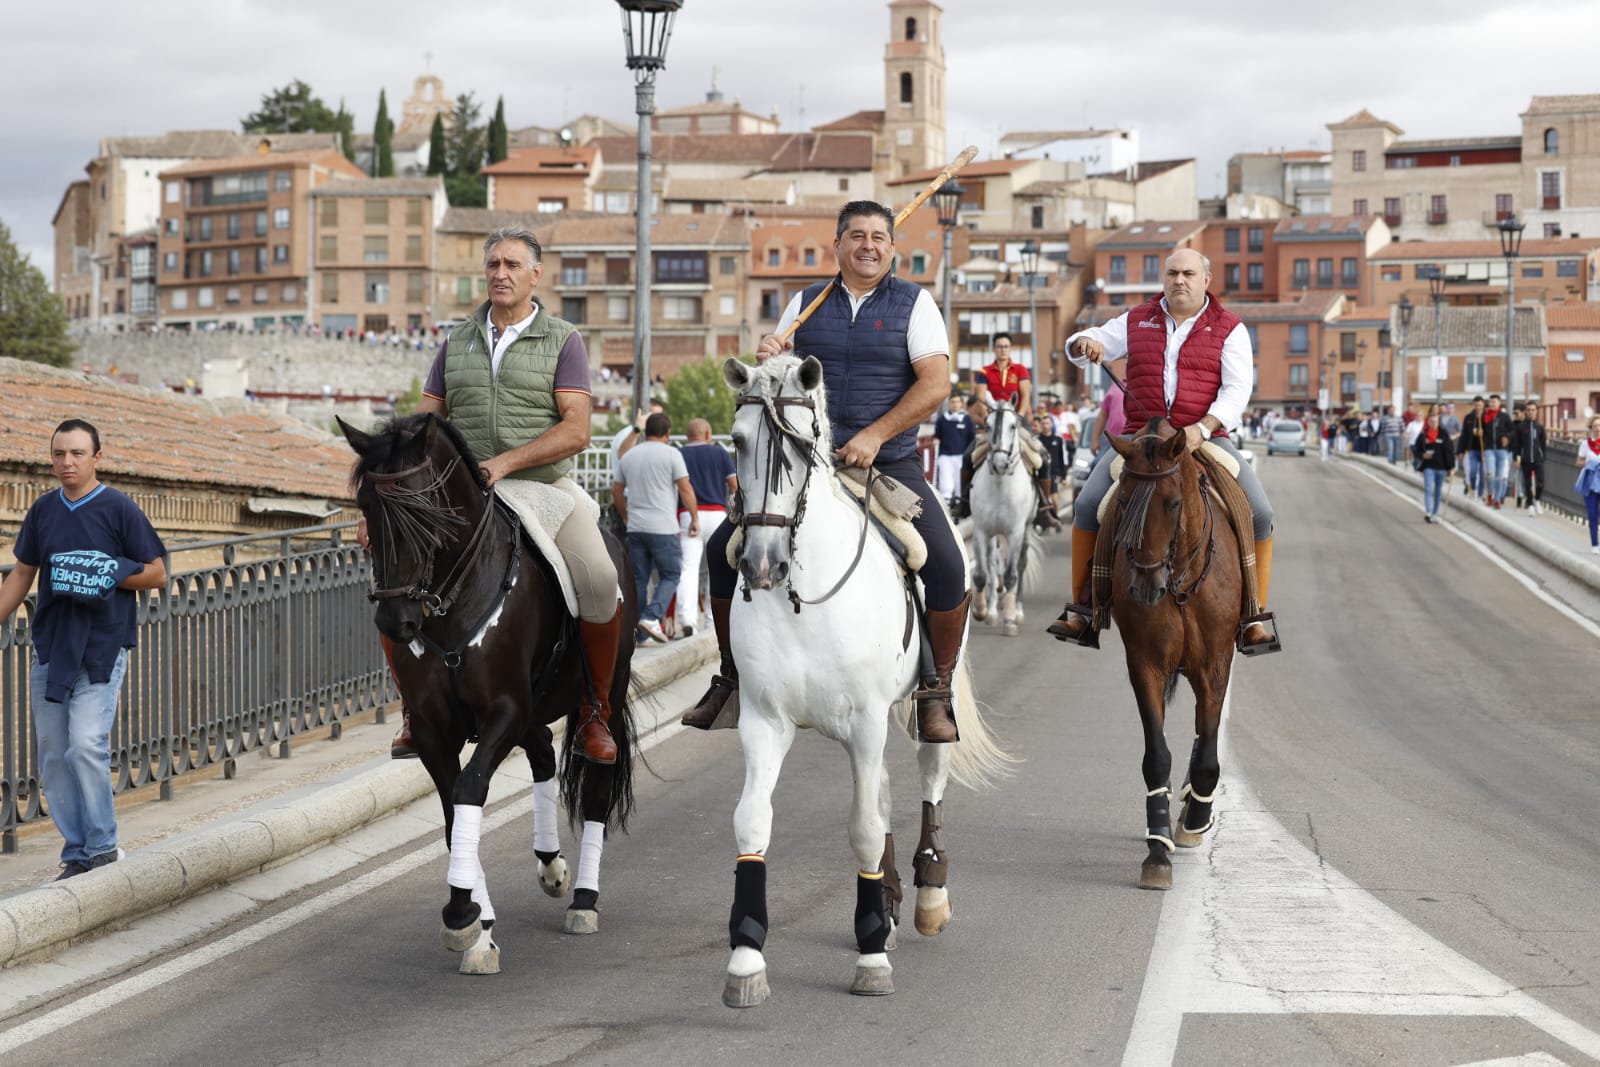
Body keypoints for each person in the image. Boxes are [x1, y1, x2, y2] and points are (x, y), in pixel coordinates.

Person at [682, 200, 968, 742]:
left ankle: (937, 688)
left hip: (888, 463)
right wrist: (769, 353)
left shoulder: (915, 303)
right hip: (807, 466)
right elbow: (776, 378)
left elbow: (935, 385)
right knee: (724, 555)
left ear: (892, 247)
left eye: (878, 237)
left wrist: (877, 435)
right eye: (855, 235)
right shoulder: (806, 303)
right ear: (836, 245)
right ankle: (731, 678)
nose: (868, 245)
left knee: (947, 566)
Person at [401, 225, 624, 764]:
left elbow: (577, 431)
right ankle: (413, 708)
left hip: (542, 487)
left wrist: (506, 462)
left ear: (535, 275)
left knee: (600, 577)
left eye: (513, 265)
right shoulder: (456, 341)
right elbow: (425, 426)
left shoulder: (563, 339)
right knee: (395, 580)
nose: (501, 274)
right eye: (494, 265)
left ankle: (595, 711)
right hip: (465, 497)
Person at [1046, 248, 1278, 653]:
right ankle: (1083, 610)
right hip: (1143, 441)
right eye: (1172, 273)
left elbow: (1238, 389)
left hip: (1204, 439)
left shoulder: (1229, 328)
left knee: (1260, 512)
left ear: (1207, 279)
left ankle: (1254, 615)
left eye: (1189, 273)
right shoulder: (1138, 318)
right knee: (1087, 506)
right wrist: (1085, 342)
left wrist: (1203, 428)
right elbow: (1092, 339)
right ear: (1163, 278)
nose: (1179, 280)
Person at [0, 420, 166, 879]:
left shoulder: (118, 509)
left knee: (86, 744)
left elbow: (156, 573)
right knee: (54, 753)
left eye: (76, 454)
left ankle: (104, 846)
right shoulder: (43, 511)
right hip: (51, 647)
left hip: (103, 646)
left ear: (97, 457)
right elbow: (21, 573)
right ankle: (76, 852)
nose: (66, 463)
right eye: (58, 454)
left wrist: (110, 572)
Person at [613, 412, 697, 644]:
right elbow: (686, 489)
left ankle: (639, 633)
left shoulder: (629, 457)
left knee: (639, 579)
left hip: (636, 527)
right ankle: (651, 617)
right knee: (671, 574)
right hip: (663, 528)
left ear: (647, 431)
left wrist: (625, 515)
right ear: (668, 433)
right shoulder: (672, 454)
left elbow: (616, 491)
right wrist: (695, 518)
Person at [673, 417, 733, 638]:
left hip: (689, 515)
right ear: (708, 435)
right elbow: (734, 486)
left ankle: (687, 620)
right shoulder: (720, 454)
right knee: (717, 570)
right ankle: (711, 621)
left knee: (688, 568)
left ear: (688, 435)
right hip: (717, 515)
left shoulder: (679, 455)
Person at [932, 393, 975, 508]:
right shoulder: (942, 420)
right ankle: (945, 508)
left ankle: (959, 508)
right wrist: (936, 440)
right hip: (945, 455)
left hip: (961, 457)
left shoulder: (967, 420)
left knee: (959, 485)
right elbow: (937, 435)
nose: (955, 404)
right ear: (949, 404)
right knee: (946, 485)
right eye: (952, 402)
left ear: (961, 404)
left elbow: (972, 438)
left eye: (957, 402)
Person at [973, 333, 1032, 415]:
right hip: (993, 414)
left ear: (1011, 349)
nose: (1003, 350)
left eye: (1006, 346)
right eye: (999, 347)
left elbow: (1026, 395)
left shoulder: (1021, 369)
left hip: (1016, 413)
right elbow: (981, 397)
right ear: (994, 349)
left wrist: (1020, 415)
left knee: (1028, 427)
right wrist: (988, 417)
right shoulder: (985, 371)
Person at [1412, 410, 1455, 523]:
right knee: (1428, 489)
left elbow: (1450, 451)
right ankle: (1428, 511)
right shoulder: (1423, 435)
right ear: (1428, 422)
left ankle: (1435, 513)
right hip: (1428, 467)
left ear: (1438, 421)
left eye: (1435, 421)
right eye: (1431, 421)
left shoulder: (1444, 434)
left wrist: (1451, 467)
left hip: (1441, 468)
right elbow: (1416, 449)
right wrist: (1422, 455)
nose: (1433, 423)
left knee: (1438, 491)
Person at [1033, 414, 1067, 530]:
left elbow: (1063, 458)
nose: (1045, 426)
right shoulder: (1037, 440)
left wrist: (1064, 476)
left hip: (1054, 473)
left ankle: (1055, 518)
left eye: (1047, 423)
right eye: (1043, 424)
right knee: (1042, 500)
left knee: (1055, 501)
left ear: (1051, 425)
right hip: (1041, 474)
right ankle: (1042, 521)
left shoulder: (1058, 440)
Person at [1513, 404, 1547, 515]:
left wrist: (1543, 457)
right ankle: (1530, 504)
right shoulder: (1521, 427)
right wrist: (1516, 459)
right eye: (1528, 410)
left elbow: (1543, 445)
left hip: (1538, 459)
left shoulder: (1540, 427)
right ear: (1525, 412)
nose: (1531, 412)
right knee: (1527, 483)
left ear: (1536, 411)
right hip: (1525, 459)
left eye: (1533, 410)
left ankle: (1537, 499)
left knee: (1541, 482)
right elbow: (1517, 445)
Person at [1482, 393, 1513, 508]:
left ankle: (1497, 499)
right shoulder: (1485, 417)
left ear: (1499, 403)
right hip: (1489, 449)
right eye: (1490, 402)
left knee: (1499, 476)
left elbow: (1512, 430)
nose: (1492, 404)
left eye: (1494, 402)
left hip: (1501, 450)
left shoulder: (1504, 417)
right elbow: (1482, 433)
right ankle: (1490, 494)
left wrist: (1507, 437)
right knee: (1490, 474)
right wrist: (1480, 432)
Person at [1577, 415, 1600, 554]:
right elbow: (1578, 461)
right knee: (1592, 514)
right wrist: (1589, 464)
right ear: (1591, 428)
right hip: (1590, 483)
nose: (1598, 428)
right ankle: (1595, 544)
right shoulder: (1585, 444)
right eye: (1596, 426)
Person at [1457, 397, 1486, 499]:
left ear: (1483, 406)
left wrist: (1484, 433)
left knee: (1482, 474)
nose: (1478, 408)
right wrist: (1460, 451)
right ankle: (1472, 488)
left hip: (1483, 449)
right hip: (1472, 449)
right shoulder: (1469, 417)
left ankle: (1480, 493)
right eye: (1476, 405)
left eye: (1480, 405)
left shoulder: (1487, 417)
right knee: (1472, 471)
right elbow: (1464, 434)